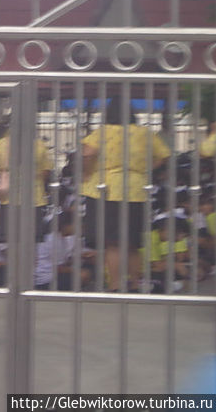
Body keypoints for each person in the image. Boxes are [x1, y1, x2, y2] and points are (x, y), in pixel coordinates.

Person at [81, 97, 170, 292]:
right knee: (131, 243)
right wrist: (143, 170)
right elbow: (164, 155)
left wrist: (88, 174)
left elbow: (87, 154)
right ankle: (136, 284)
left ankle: (115, 285)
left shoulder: (103, 132)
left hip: (107, 189)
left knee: (113, 244)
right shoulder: (144, 133)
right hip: (136, 191)